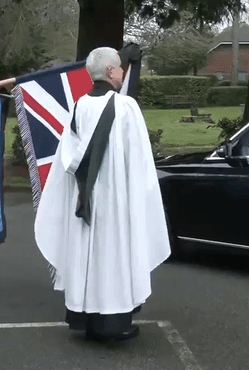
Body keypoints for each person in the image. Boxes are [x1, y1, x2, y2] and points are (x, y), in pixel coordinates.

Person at [34, 47, 171, 341]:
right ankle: (113, 321)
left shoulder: (79, 106)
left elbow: (68, 159)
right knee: (113, 255)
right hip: (116, 198)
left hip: (85, 196)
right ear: (110, 72)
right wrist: (139, 197)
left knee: (87, 255)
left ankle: (87, 319)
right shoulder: (126, 108)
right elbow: (138, 160)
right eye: (120, 67)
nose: (123, 72)